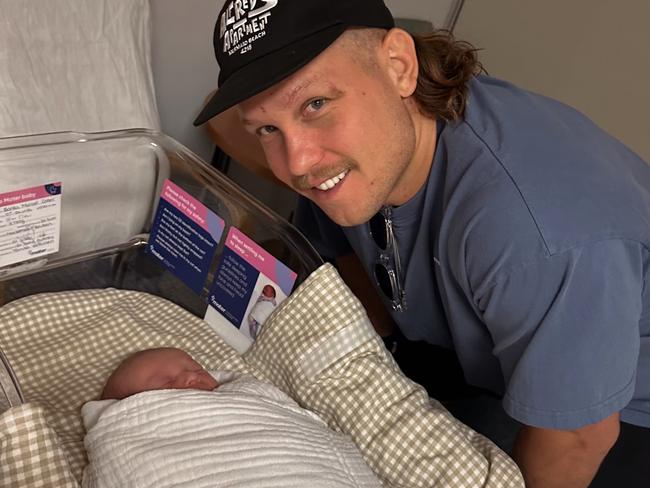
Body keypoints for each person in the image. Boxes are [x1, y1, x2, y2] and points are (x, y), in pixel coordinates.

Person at [192, 1, 650, 487]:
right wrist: (365, 362)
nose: (299, 162)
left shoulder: (536, 232)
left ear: (399, 67)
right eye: (268, 128)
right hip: (474, 344)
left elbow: (579, 438)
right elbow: (341, 254)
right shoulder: (369, 156)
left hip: (619, 413)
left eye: (316, 105)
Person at [85, 347, 382, 487]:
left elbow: (287, 418)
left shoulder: (242, 399)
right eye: (165, 382)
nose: (190, 375)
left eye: (196, 368)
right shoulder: (128, 435)